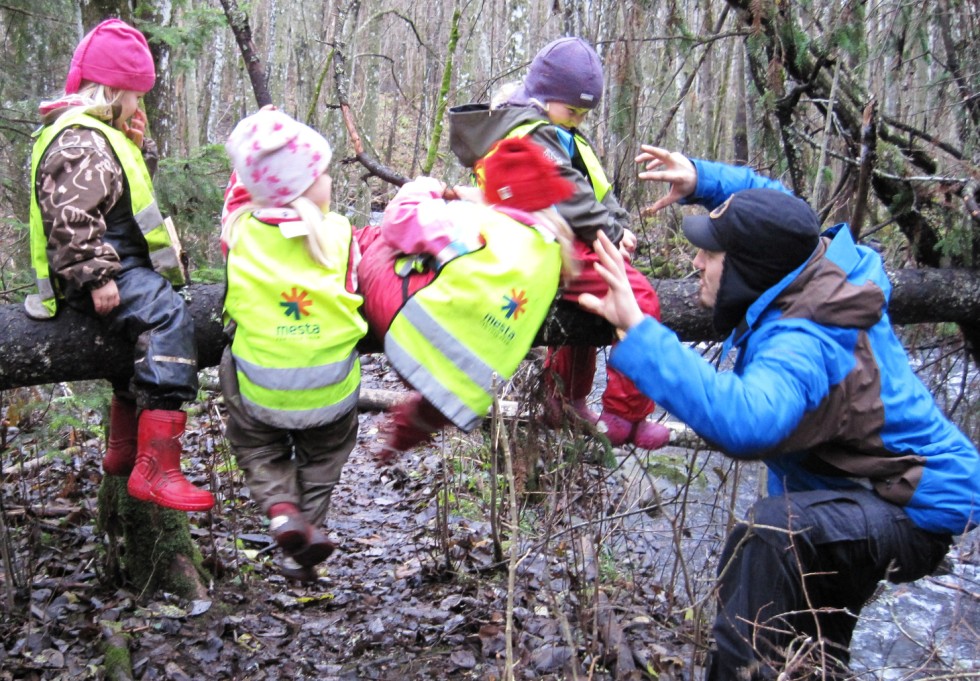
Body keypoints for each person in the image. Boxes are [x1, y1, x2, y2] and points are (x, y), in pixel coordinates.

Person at [578, 145, 980, 678]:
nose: (696, 262)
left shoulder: (805, 336)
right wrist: (704, 178)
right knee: (812, 647)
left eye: (711, 254)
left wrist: (641, 332)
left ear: (748, 270)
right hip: (857, 496)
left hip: (908, 507)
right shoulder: (818, 263)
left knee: (770, 533)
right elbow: (786, 208)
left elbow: (748, 423)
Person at [26, 19, 213, 512]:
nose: (138, 108)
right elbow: (70, 214)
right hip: (101, 270)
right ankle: (160, 470)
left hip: (117, 264)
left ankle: (124, 451)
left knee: (137, 340)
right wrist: (96, 274)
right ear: (113, 90)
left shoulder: (97, 136)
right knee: (168, 317)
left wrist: (137, 147)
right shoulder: (80, 141)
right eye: (134, 97)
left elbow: (121, 198)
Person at [448, 37, 670, 450]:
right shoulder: (529, 134)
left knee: (589, 309)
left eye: (585, 113)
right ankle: (626, 413)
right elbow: (570, 196)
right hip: (539, 247)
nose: (579, 120)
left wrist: (619, 226)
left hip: (557, 242)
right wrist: (613, 235)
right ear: (544, 96)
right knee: (638, 299)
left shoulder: (557, 131)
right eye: (573, 111)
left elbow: (598, 191)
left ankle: (563, 398)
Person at [357, 137, 579, 457]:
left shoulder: (475, 224)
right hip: (466, 389)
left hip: (408, 341)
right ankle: (401, 439)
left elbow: (398, 221)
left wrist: (425, 187)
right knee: (435, 399)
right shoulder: (555, 254)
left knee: (381, 239)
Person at [220, 109, 367, 582]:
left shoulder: (239, 232)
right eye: (323, 174)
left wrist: (252, 149)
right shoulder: (340, 233)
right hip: (330, 386)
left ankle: (282, 512)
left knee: (255, 446)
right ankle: (307, 537)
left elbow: (237, 198)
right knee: (324, 457)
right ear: (304, 187)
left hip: (260, 385)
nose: (329, 182)